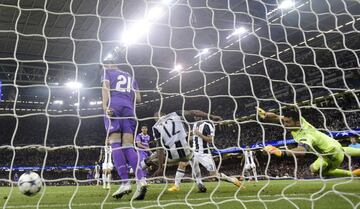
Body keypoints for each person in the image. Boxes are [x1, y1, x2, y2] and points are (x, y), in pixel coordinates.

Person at [257, 107, 360, 177]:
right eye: (284, 122)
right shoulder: (299, 121)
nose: (284, 124)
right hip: (335, 145)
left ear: (297, 123)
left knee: (317, 170)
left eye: (287, 122)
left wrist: (281, 152)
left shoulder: (306, 135)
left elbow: (302, 151)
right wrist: (266, 115)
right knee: (348, 150)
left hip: (332, 155)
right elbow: (276, 117)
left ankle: (352, 174)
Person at [102, 58, 147, 200]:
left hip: (114, 106)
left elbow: (106, 88)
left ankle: (125, 182)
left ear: (108, 64)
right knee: (128, 145)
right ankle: (141, 180)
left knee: (115, 145)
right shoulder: (130, 75)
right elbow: (138, 98)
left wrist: (105, 107)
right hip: (129, 109)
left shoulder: (107, 71)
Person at [168, 115, 242, 192]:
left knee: (214, 175)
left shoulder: (208, 125)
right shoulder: (195, 124)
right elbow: (194, 137)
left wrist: (198, 133)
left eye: (197, 116)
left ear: (201, 117)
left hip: (204, 153)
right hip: (194, 151)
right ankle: (177, 186)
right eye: (195, 116)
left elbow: (210, 140)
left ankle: (233, 180)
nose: (195, 117)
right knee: (183, 163)